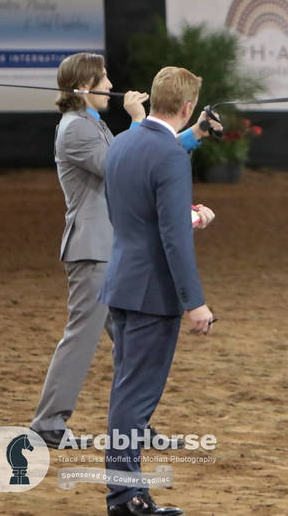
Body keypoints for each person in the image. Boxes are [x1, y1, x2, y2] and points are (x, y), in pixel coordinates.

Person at [30, 53, 220, 450]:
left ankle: (133, 424)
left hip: (109, 249)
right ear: (84, 87)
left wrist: (195, 134)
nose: (110, 85)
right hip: (93, 248)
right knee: (83, 337)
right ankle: (49, 422)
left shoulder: (90, 123)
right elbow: (122, 163)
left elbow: (144, 152)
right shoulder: (75, 129)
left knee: (131, 346)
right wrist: (138, 120)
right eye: (103, 79)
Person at [100, 66, 216, 516]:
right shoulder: (170, 154)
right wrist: (195, 302)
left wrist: (189, 217)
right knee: (136, 398)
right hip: (152, 292)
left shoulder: (122, 141)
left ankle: (125, 492)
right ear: (187, 108)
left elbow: (134, 213)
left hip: (122, 280)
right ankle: (126, 496)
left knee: (125, 392)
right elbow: (173, 236)